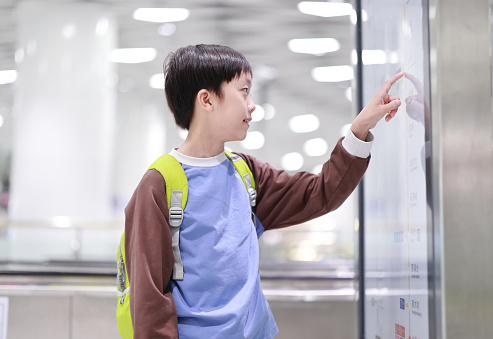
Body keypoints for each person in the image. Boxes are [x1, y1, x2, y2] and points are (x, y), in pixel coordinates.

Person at [124, 44, 402, 338]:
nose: (252, 104)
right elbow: (149, 299)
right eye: (244, 91)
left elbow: (320, 192)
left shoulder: (246, 173)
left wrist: (359, 128)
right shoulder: (160, 184)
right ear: (206, 100)